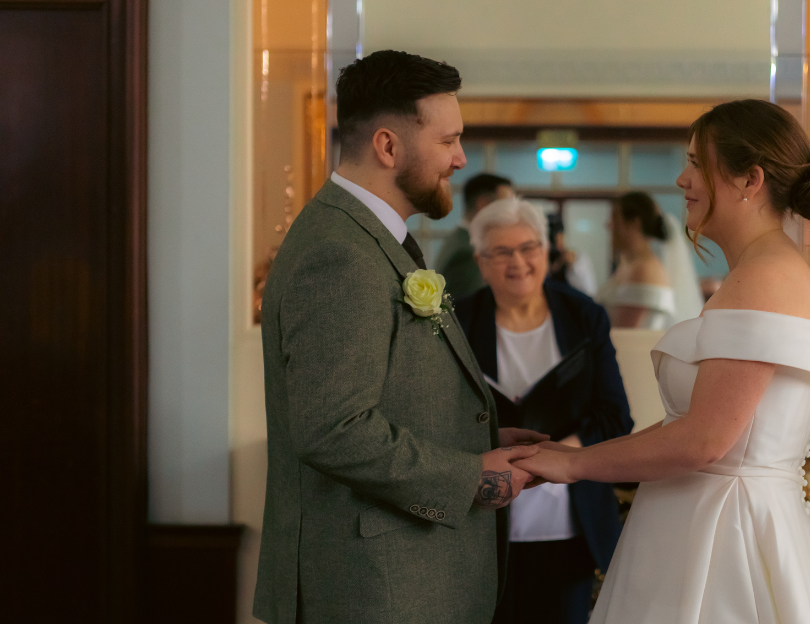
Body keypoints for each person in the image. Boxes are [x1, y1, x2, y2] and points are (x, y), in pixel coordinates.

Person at [516, 100, 810, 624]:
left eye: (697, 162)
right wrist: (570, 452)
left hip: (726, 537)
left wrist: (572, 465)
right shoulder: (761, 272)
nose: (682, 178)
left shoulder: (764, 278)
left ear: (750, 180)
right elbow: (696, 422)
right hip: (708, 520)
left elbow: (705, 440)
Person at [253, 50, 548, 624]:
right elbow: (333, 428)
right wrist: (471, 476)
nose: (461, 159)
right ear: (388, 147)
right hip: (375, 592)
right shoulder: (340, 253)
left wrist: (471, 436)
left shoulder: (363, 237)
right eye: (448, 141)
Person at [454, 198, 634, 624]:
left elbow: (615, 418)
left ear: (547, 251)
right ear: (481, 261)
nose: (518, 261)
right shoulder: (458, 321)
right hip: (481, 525)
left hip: (568, 525)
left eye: (529, 247)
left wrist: (554, 457)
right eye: (502, 252)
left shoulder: (583, 315)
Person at [596, 192, 676, 329]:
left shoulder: (644, 269)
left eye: (615, 218)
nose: (608, 225)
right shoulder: (627, 265)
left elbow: (626, 331)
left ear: (634, 223)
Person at [435, 173, 515, 299]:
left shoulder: (460, 239)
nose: (512, 214)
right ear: (483, 204)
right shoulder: (468, 251)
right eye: (506, 206)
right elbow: (469, 312)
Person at [546, 211, 598, 297]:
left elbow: (589, 292)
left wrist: (573, 267)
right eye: (552, 238)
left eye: (559, 235)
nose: (556, 242)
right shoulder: (540, 260)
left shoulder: (578, 259)